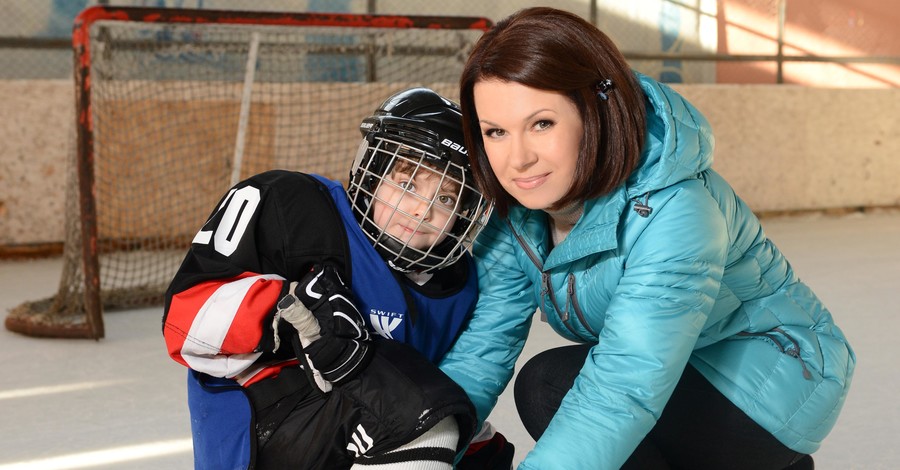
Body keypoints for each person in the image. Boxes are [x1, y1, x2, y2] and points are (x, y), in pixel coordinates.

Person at [437, 7, 856, 470]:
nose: (518, 159)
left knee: (550, 384)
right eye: (495, 132)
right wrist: (419, 450)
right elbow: (482, 350)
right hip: (683, 365)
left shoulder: (676, 211)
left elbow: (624, 384)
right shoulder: (519, 216)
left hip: (775, 380)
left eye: (542, 124)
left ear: (594, 109)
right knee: (550, 383)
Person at [162, 88, 514, 469]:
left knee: (482, 452)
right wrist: (287, 309)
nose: (421, 210)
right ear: (372, 172)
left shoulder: (455, 287)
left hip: (359, 421)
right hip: (266, 429)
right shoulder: (295, 207)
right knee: (422, 418)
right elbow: (185, 324)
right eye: (407, 184)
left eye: (447, 198)